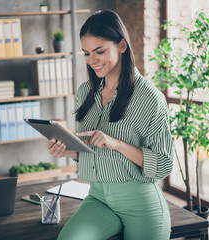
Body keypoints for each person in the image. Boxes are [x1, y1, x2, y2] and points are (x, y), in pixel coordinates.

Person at [47, 9, 173, 240]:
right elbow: (90, 150)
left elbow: (164, 164)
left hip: (141, 204)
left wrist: (116, 143)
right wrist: (70, 150)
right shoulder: (85, 92)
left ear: (122, 45)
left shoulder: (150, 98)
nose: (91, 60)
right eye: (86, 53)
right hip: (98, 198)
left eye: (99, 51)